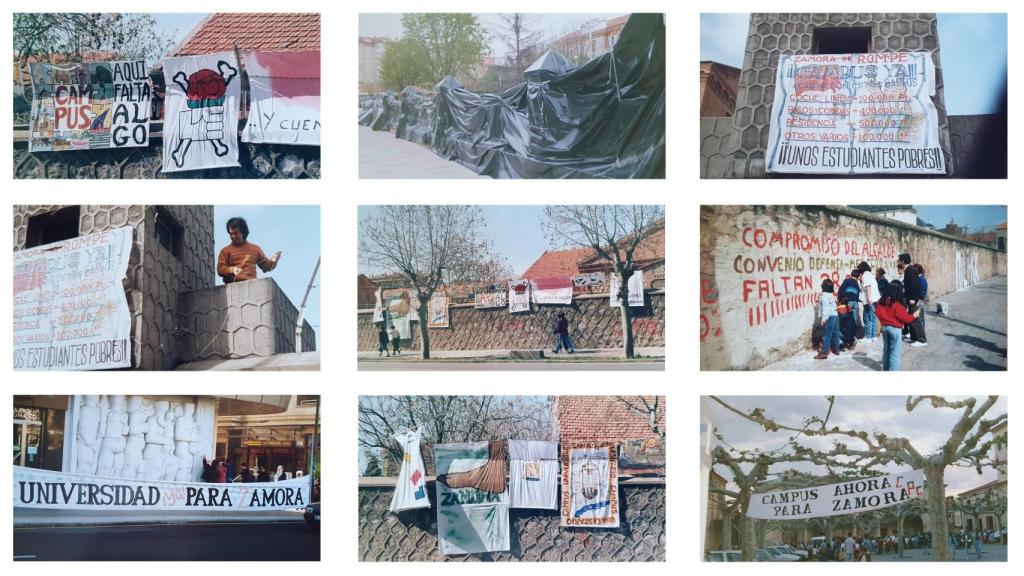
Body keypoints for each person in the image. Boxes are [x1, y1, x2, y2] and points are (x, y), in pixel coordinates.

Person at [216, 217, 281, 284]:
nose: (233, 236)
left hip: (251, 287)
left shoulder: (255, 249)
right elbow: (220, 269)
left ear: (243, 232)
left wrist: (273, 261)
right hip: (232, 289)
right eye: (231, 234)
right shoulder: (225, 251)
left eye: (235, 233)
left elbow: (266, 267)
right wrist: (232, 270)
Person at [875, 280, 921, 371]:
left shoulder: (881, 301)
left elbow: (877, 312)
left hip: (885, 328)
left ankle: (886, 369)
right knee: (894, 354)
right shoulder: (896, 304)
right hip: (895, 329)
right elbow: (906, 318)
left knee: (886, 351)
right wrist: (914, 316)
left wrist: (885, 320)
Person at [899, 253, 927, 346]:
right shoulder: (910, 269)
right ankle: (914, 338)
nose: (900, 262)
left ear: (903, 261)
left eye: (900, 260)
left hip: (913, 300)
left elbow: (914, 286)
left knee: (915, 320)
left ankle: (922, 340)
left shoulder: (910, 270)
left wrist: (913, 299)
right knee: (911, 319)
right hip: (911, 299)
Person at [815, 279, 842, 360]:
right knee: (835, 333)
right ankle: (836, 349)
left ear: (823, 287)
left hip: (829, 317)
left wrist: (824, 318)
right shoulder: (830, 295)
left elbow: (825, 307)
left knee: (827, 335)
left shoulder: (824, 296)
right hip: (835, 315)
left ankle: (824, 352)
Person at [858, 262, 879, 344]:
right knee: (873, 318)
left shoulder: (865, 275)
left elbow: (868, 286)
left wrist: (869, 299)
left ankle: (869, 337)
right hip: (875, 299)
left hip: (869, 301)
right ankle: (874, 336)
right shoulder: (871, 275)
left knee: (867, 318)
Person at [838, 269, 863, 338]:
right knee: (853, 320)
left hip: (848, 302)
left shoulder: (846, 281)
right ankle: (853, 335)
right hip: (855, 303)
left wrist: (840, 298)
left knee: (846, 319)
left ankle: (846, 335)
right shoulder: (856, 283)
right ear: (857, 277)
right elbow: (858, 293)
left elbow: (841, 290)